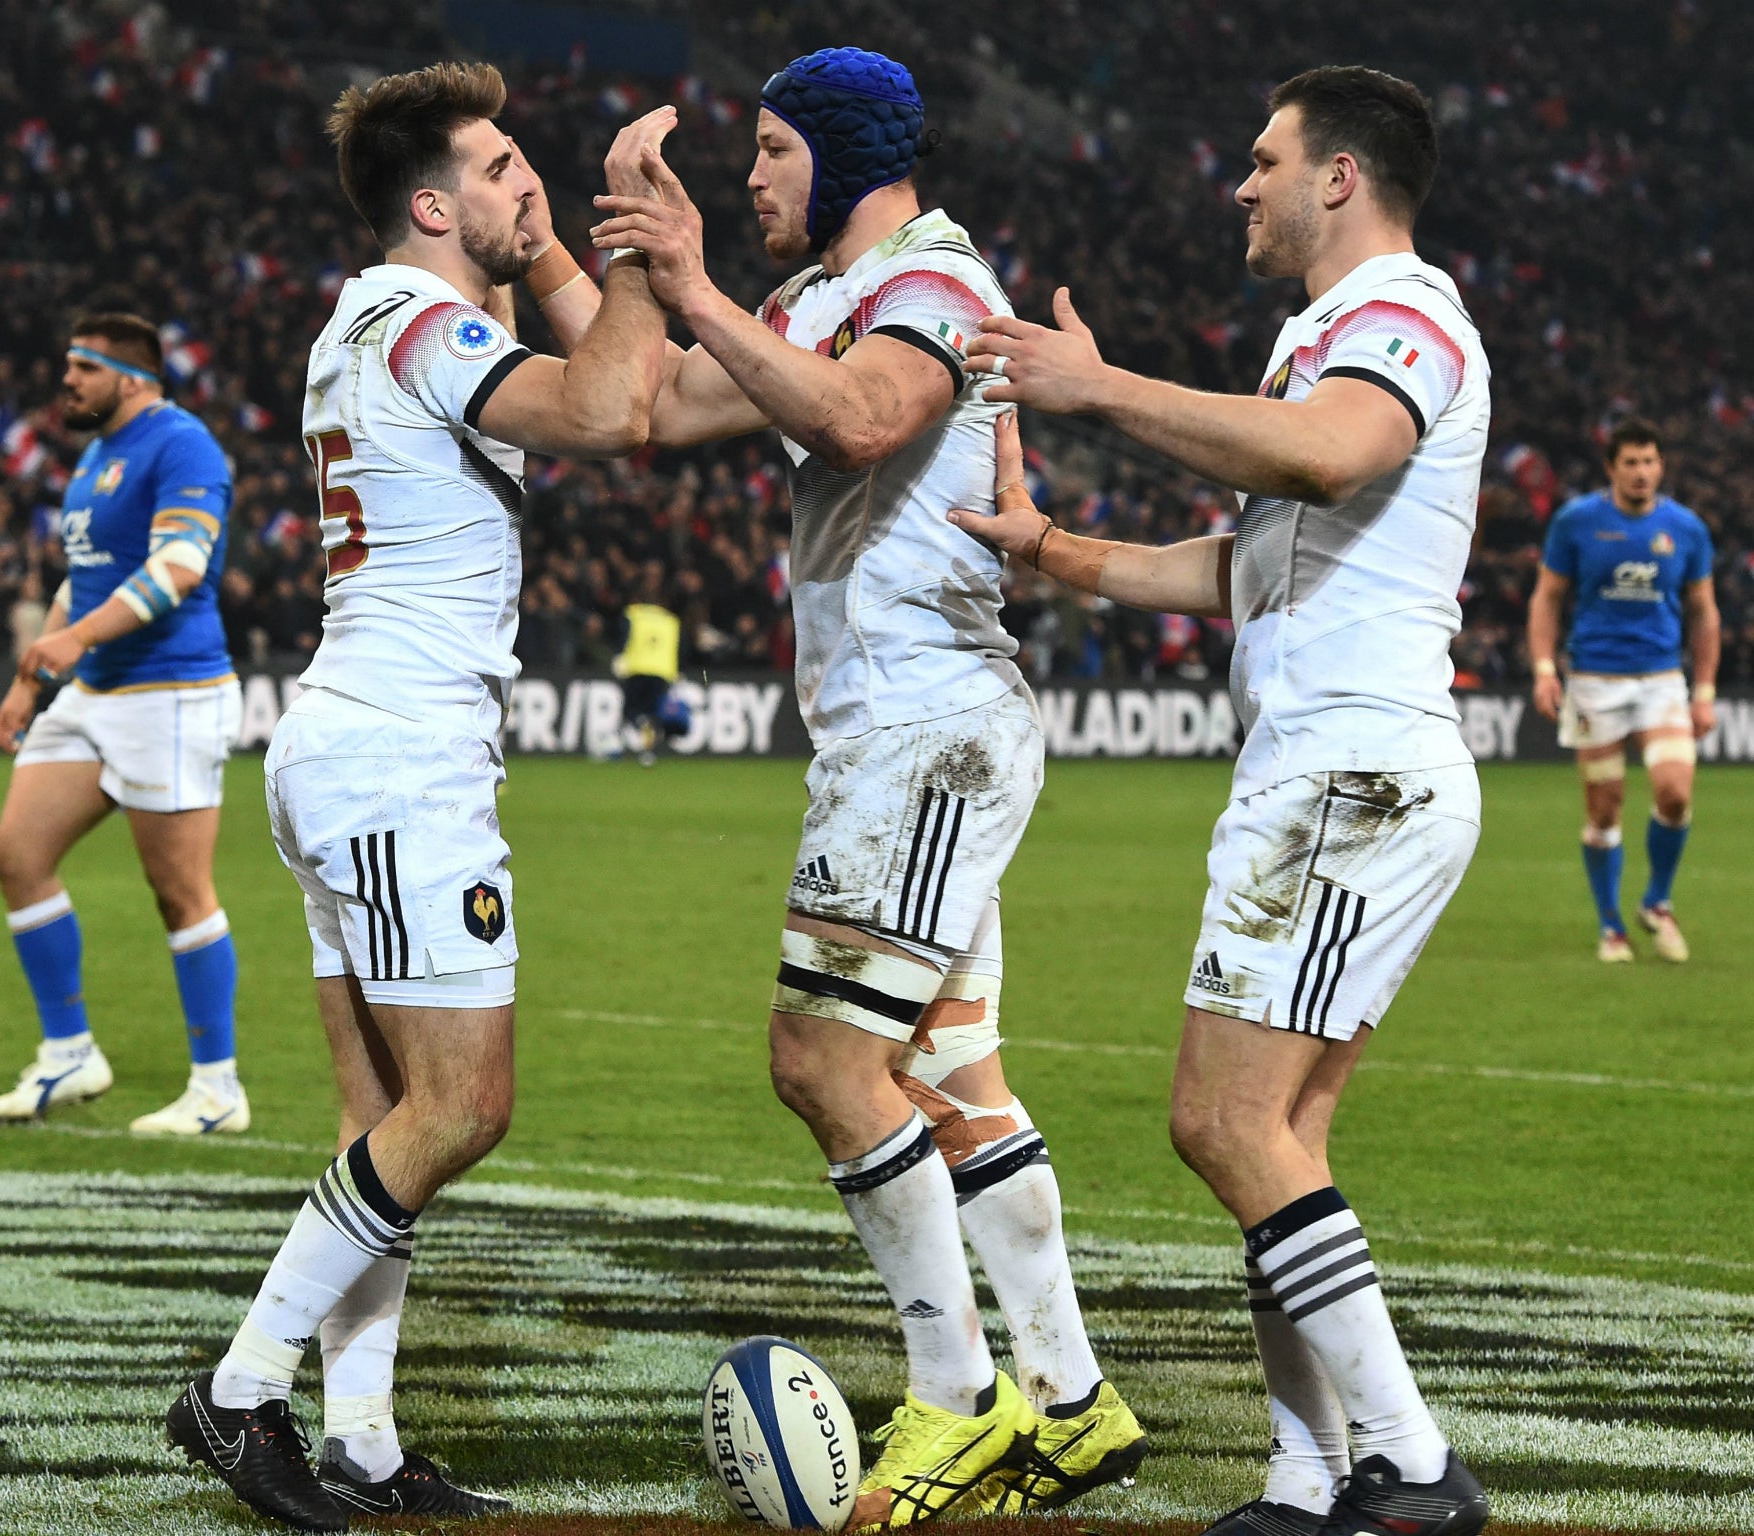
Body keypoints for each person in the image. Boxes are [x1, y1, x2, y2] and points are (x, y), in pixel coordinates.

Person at [556, 50, 1146, 1526]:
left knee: (822, 1064)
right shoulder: (802, 304)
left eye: (767, 151)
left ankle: (954, 1401)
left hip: (928, 726)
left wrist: (688, 282)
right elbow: (643, 413)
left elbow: (863, 421)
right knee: (946, 1074)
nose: (750, 179)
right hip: (890, 734)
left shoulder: (938, 278)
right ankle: (1073, 1402)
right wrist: (603, 252)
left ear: (839, 155)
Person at [953, 66, 1491, 1536]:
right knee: (1274, 1146)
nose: (1239, 186)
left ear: (1340, 178)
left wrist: (1101, 387)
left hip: (1351, 773)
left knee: (1223, 1123)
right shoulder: (1318, 339)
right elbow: (1247, 565)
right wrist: (1053, 548)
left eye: (1262, 161)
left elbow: (1330, 456)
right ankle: (1308, 1479)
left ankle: (1410, 1462)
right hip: (1331, 773)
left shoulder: (1402, 318)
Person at [163, 61, 666, 1532]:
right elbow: (610, 409)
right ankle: (243, 1392)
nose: (532, 187)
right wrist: (633, 248)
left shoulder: (382, 317)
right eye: (507, 168)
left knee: (381, 1114)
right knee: (462, 1106)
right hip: (398, 760)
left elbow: (622, 390)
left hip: (354, 742)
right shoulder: (418, 316)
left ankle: (367, 1447)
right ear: (434, 204)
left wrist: (575, 261)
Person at [0, 315, 248, 1137]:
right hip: (92, 694)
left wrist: (72, 641)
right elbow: (84, 582)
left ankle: (217, 1088)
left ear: (128, 377)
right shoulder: (95, 459)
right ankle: (69, 1052)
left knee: (178, 892)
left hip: (170, 693)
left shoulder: (183, 445)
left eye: (79, 370)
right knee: (17, 858)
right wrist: (35, 678)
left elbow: (180, 567)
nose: (65, 383)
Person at [1527, 421, 1717, 963]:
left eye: (1649, 461)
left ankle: (1656, 900)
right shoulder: (1577, 522)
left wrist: (1704, 689)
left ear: (1661, 467)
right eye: (1630, 462)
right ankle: (1612, 925)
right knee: (1605, 810)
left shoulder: (1686, 528)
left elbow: (1704, 612)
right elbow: (1547, 598)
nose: (1641, 472)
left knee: (1676, 793)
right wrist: (1545, 668)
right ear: (1611, 468)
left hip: (1661, 680)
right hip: (1594, 683)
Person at [613, 565, 680, 764]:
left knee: (631, 710)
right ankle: (647, 753)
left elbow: (623, 637)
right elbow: (678, 647)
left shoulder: (633, 613)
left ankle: (623, 743)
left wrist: (619, 657)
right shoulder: (671, 620)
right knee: (652, 714)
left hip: (637, 668)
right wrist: (676, 671)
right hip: (661, 672)